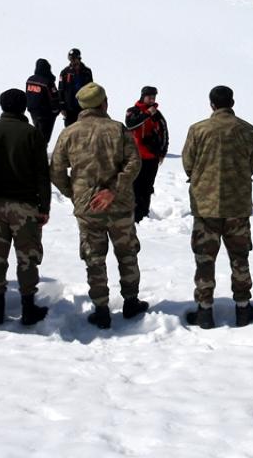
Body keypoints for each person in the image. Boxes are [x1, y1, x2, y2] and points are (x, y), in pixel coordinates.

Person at [50, 83, 147, 328]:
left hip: (88, 208)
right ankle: (131, 302)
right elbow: (134, 163)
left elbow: (57, 170)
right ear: (104, 103)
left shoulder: (69, 133)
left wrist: (74, 194)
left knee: (94, 257)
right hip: (120, 205)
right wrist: (113, 190)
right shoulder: (118, 130)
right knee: (127, 254)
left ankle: (101, 309)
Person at [181, 86, 253, 329]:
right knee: (240, 257)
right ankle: (243, 309)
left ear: (211, 104)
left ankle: (205, 312)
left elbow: (188, 163)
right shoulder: (247, 130)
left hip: (206, 207)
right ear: (232, 102)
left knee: (205, 259)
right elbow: (252, 164)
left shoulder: (198, 130)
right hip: (237, 205)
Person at [0, 89, 52, 326]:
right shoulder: (32, 134)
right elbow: (42, 174)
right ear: (24, 107)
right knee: (27, 257)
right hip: (26, 205)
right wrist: (44, 206)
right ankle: (28, 309)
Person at [124, 86, 169, 223]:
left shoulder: (157, 114)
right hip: (134, 157)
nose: (152, 100)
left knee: (147, 187)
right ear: (143, 96)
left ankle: (144, 214)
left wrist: (162, 152)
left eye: (154, 97)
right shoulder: (133, 111)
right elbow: (130, 124)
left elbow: (164, 132)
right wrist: (147, 114)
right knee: (134, 186)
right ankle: (133, 214)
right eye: (149, 97)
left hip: (151, 157)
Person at [25, 58, 61, 144]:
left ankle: (36, 151)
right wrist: (56, 111)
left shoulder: (30, 80)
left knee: (37, 132)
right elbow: (53, 98)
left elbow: (27, 94)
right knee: (44, 137)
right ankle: (40, 154)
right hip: (46, 114)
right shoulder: (47, 82)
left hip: (33, 111)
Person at [58, 48, 95, 126]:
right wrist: (62, 107)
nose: (72, 62)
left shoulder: (87, 72)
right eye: (70, 59)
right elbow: (61, 90)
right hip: (69, 108)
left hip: (83, 107)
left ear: (79, 58)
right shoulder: (65, 72)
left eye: (74, 59)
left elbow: (91, 88)